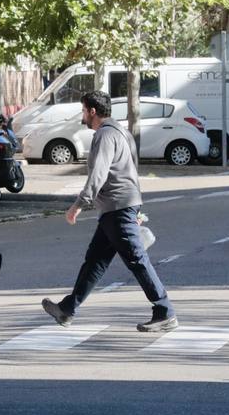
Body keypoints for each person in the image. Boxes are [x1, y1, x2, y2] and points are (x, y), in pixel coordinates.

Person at [41, 90, 178, 333]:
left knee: (136, 258)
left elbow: (99, 174)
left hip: (117, 206)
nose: (82, 115)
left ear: (92, 111)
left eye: (84, 110)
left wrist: (78, 205)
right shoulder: (122, 132)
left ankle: (164, 310)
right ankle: (68, 309)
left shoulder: (104, 135)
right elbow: (132, 168)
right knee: (95, 261)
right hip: (117, 206)